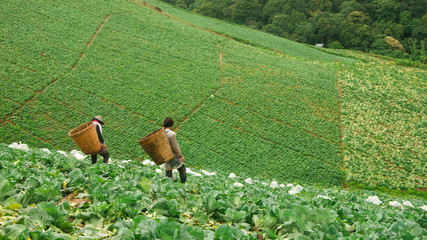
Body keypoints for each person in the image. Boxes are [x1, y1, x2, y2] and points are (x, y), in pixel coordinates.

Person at [162, 117, 186, 183]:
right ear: (171, 125)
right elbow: (175, 147)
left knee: (168, 172)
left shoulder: (161, 133)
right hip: (174, 156)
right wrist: (180, 156)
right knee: (182, 169)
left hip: (166, 155)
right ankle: (184, 184)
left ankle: (167, 185)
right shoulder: (171, 134)